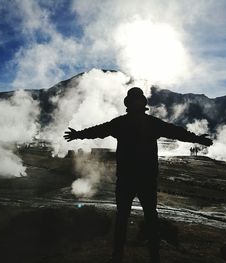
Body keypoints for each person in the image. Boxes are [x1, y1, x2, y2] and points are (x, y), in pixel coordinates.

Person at [64, 87, 212, 263]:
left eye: (136, 100)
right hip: (142, 179)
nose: (136, 103)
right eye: (135, 100)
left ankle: (121, 255)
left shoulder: (123, 123)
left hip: (131, 179)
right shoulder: (149, 123)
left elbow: (98, 130)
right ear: (140, 104)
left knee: (127, 218)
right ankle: (148, 256)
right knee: (146, 217)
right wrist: (199, 139)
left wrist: (77, 135)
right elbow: (176, 132)